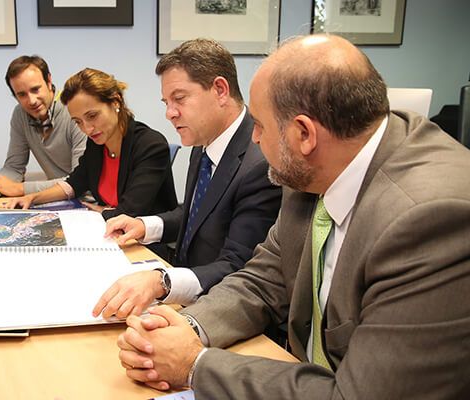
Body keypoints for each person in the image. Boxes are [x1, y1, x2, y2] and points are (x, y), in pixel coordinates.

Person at [116, 34, 470, 398]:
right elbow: (263, 280)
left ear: (304, 134)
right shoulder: (316, 168)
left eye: (260, 126)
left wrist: (195, 365)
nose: (254, 139)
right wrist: (183, 328)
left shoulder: (430, 219)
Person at [98, 39, 281, 318]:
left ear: (220, 90)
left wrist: (162, 282)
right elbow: (198, 213)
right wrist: (146, 226)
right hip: (186, 296)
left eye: (179, 99)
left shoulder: (260, 163)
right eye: (166, 102)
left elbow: (239, 266)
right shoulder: (204, 141)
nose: (169, 113)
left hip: (223, 311)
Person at [5, 68, 178, 220]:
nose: (87, 129)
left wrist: (100, 212)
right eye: (78, 122)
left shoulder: (150, 145)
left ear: (116, 102)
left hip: (145, 241)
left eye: (92, 116)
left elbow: (130, 212)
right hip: (111, 231)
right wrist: (32, 198)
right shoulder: (97, 143)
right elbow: (74, 183)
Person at [0, 55, 86, 206]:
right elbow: (14, 167)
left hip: (87, 200)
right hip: (57, 200)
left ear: (49, 81)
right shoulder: (20, 114)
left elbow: (80, 180)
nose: (31, 101)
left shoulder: (74, 111)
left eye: (35, 89)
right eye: (21, 94)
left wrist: (19, 188)